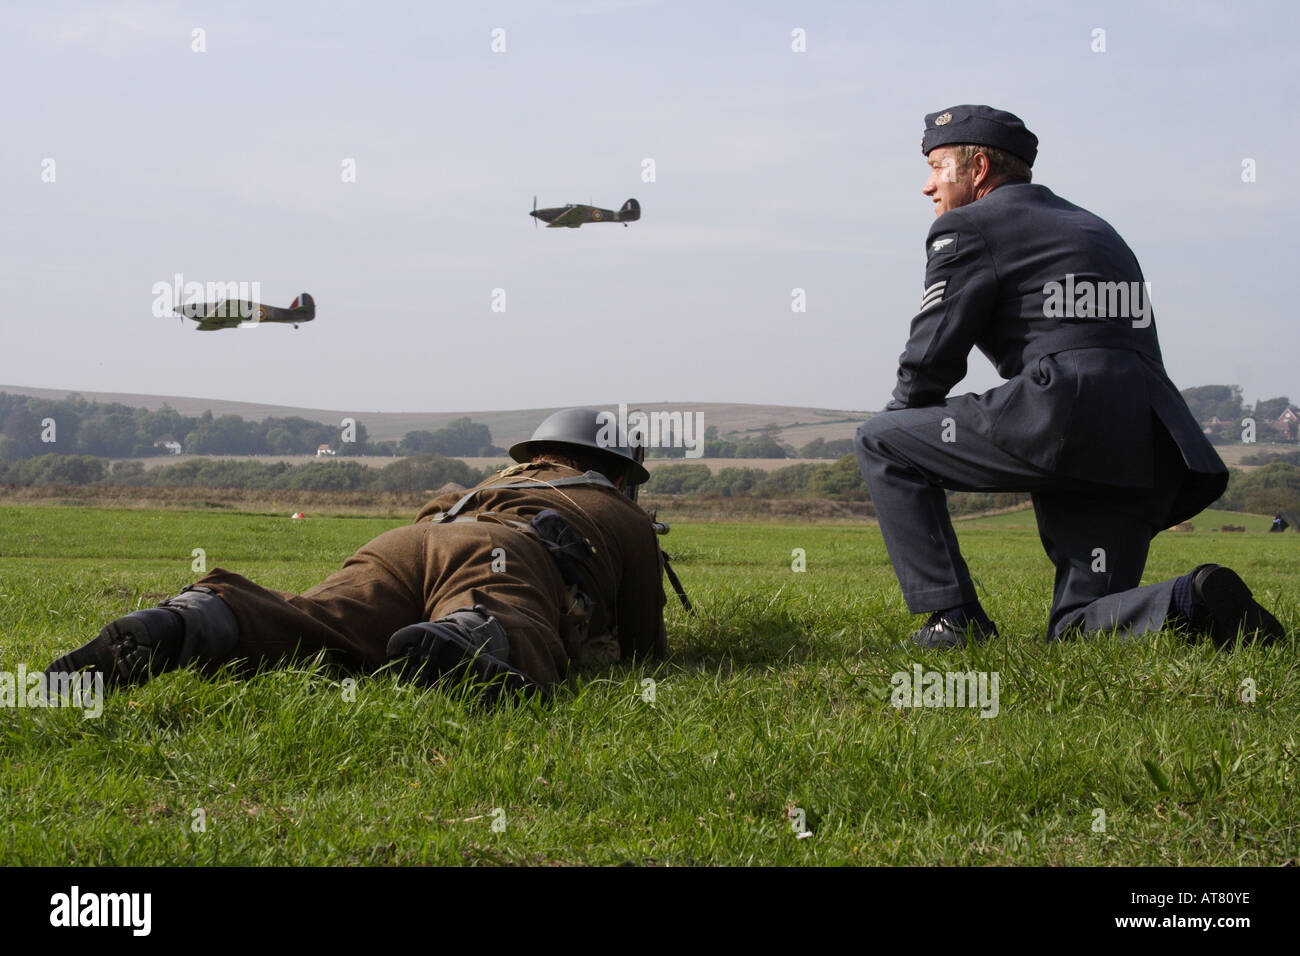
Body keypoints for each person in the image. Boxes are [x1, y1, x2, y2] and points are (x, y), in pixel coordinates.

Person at [855, 105, 1285, 649]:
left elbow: (931, 356)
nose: (927, 186)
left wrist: (902, 427)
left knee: (879, 441)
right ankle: (1191, 599)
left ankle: (952, 620)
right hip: (1142, 434)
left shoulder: (965, 226)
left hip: (1063, 412)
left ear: (979, 168)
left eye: (938, 168)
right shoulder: (1095, 226)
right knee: (1080, 625)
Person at [45, 408, 668, 701]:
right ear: (618, 472)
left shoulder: (488, 483)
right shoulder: (619, 511)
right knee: (502, 610)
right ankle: (469, 637)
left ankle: (191, 619)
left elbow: (437, 529)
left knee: (314, 619)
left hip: (403, 542)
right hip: (505, 553)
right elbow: (646, 646)